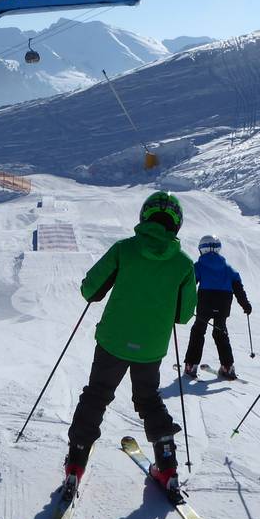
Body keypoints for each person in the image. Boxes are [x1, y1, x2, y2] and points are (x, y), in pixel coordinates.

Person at [63, 191, 197, 497]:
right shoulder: (183, 265)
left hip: (113, 340)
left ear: (144, 216)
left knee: (97, 395)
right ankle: (167, 466)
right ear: (176, 224)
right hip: (150, 348)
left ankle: (75, 463)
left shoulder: (124, 249)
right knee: (148, 400)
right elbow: (183, 315)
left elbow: (89, 290)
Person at [183, 235, 252, 380]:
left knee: (198, 331)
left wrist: (181, 301)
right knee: (220, 332)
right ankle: (227, 367)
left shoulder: (199, 266)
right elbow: (238, 287)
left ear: (202, 249)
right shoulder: (228, 268)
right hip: (223, 303)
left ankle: (191, 365)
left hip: (206, 302)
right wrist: (245, 304)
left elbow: (189, 285)